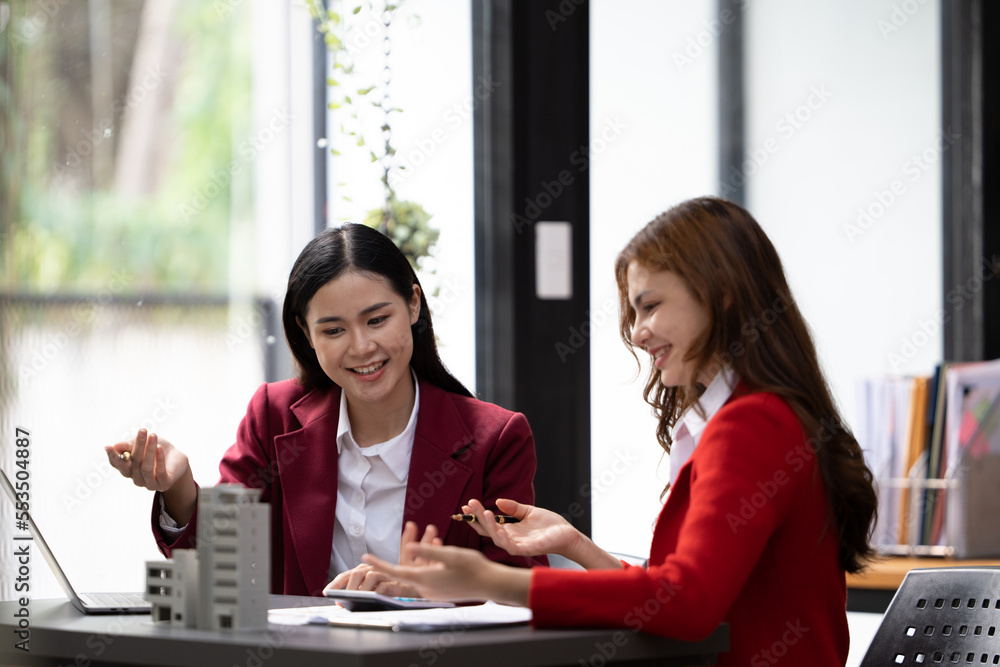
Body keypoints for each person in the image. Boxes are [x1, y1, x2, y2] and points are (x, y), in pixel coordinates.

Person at [362, 197, 878, 667]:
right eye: (633, 312)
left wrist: (492, 580)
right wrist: (575, 545)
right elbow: (681, 594)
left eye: (650, 306)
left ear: (720, 294)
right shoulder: (756, 415)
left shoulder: (752, 422)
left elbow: (689, 604)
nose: (636, 332)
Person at [106, 223, 546, 598]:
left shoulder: (495, 439)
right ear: (306, 333)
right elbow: (222, 560)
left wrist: (419, 592)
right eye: (334, 329)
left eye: (377, 320)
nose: (361, 347)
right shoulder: (274, 415)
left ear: (413, 304)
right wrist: (180, 485)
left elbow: (523, 590)